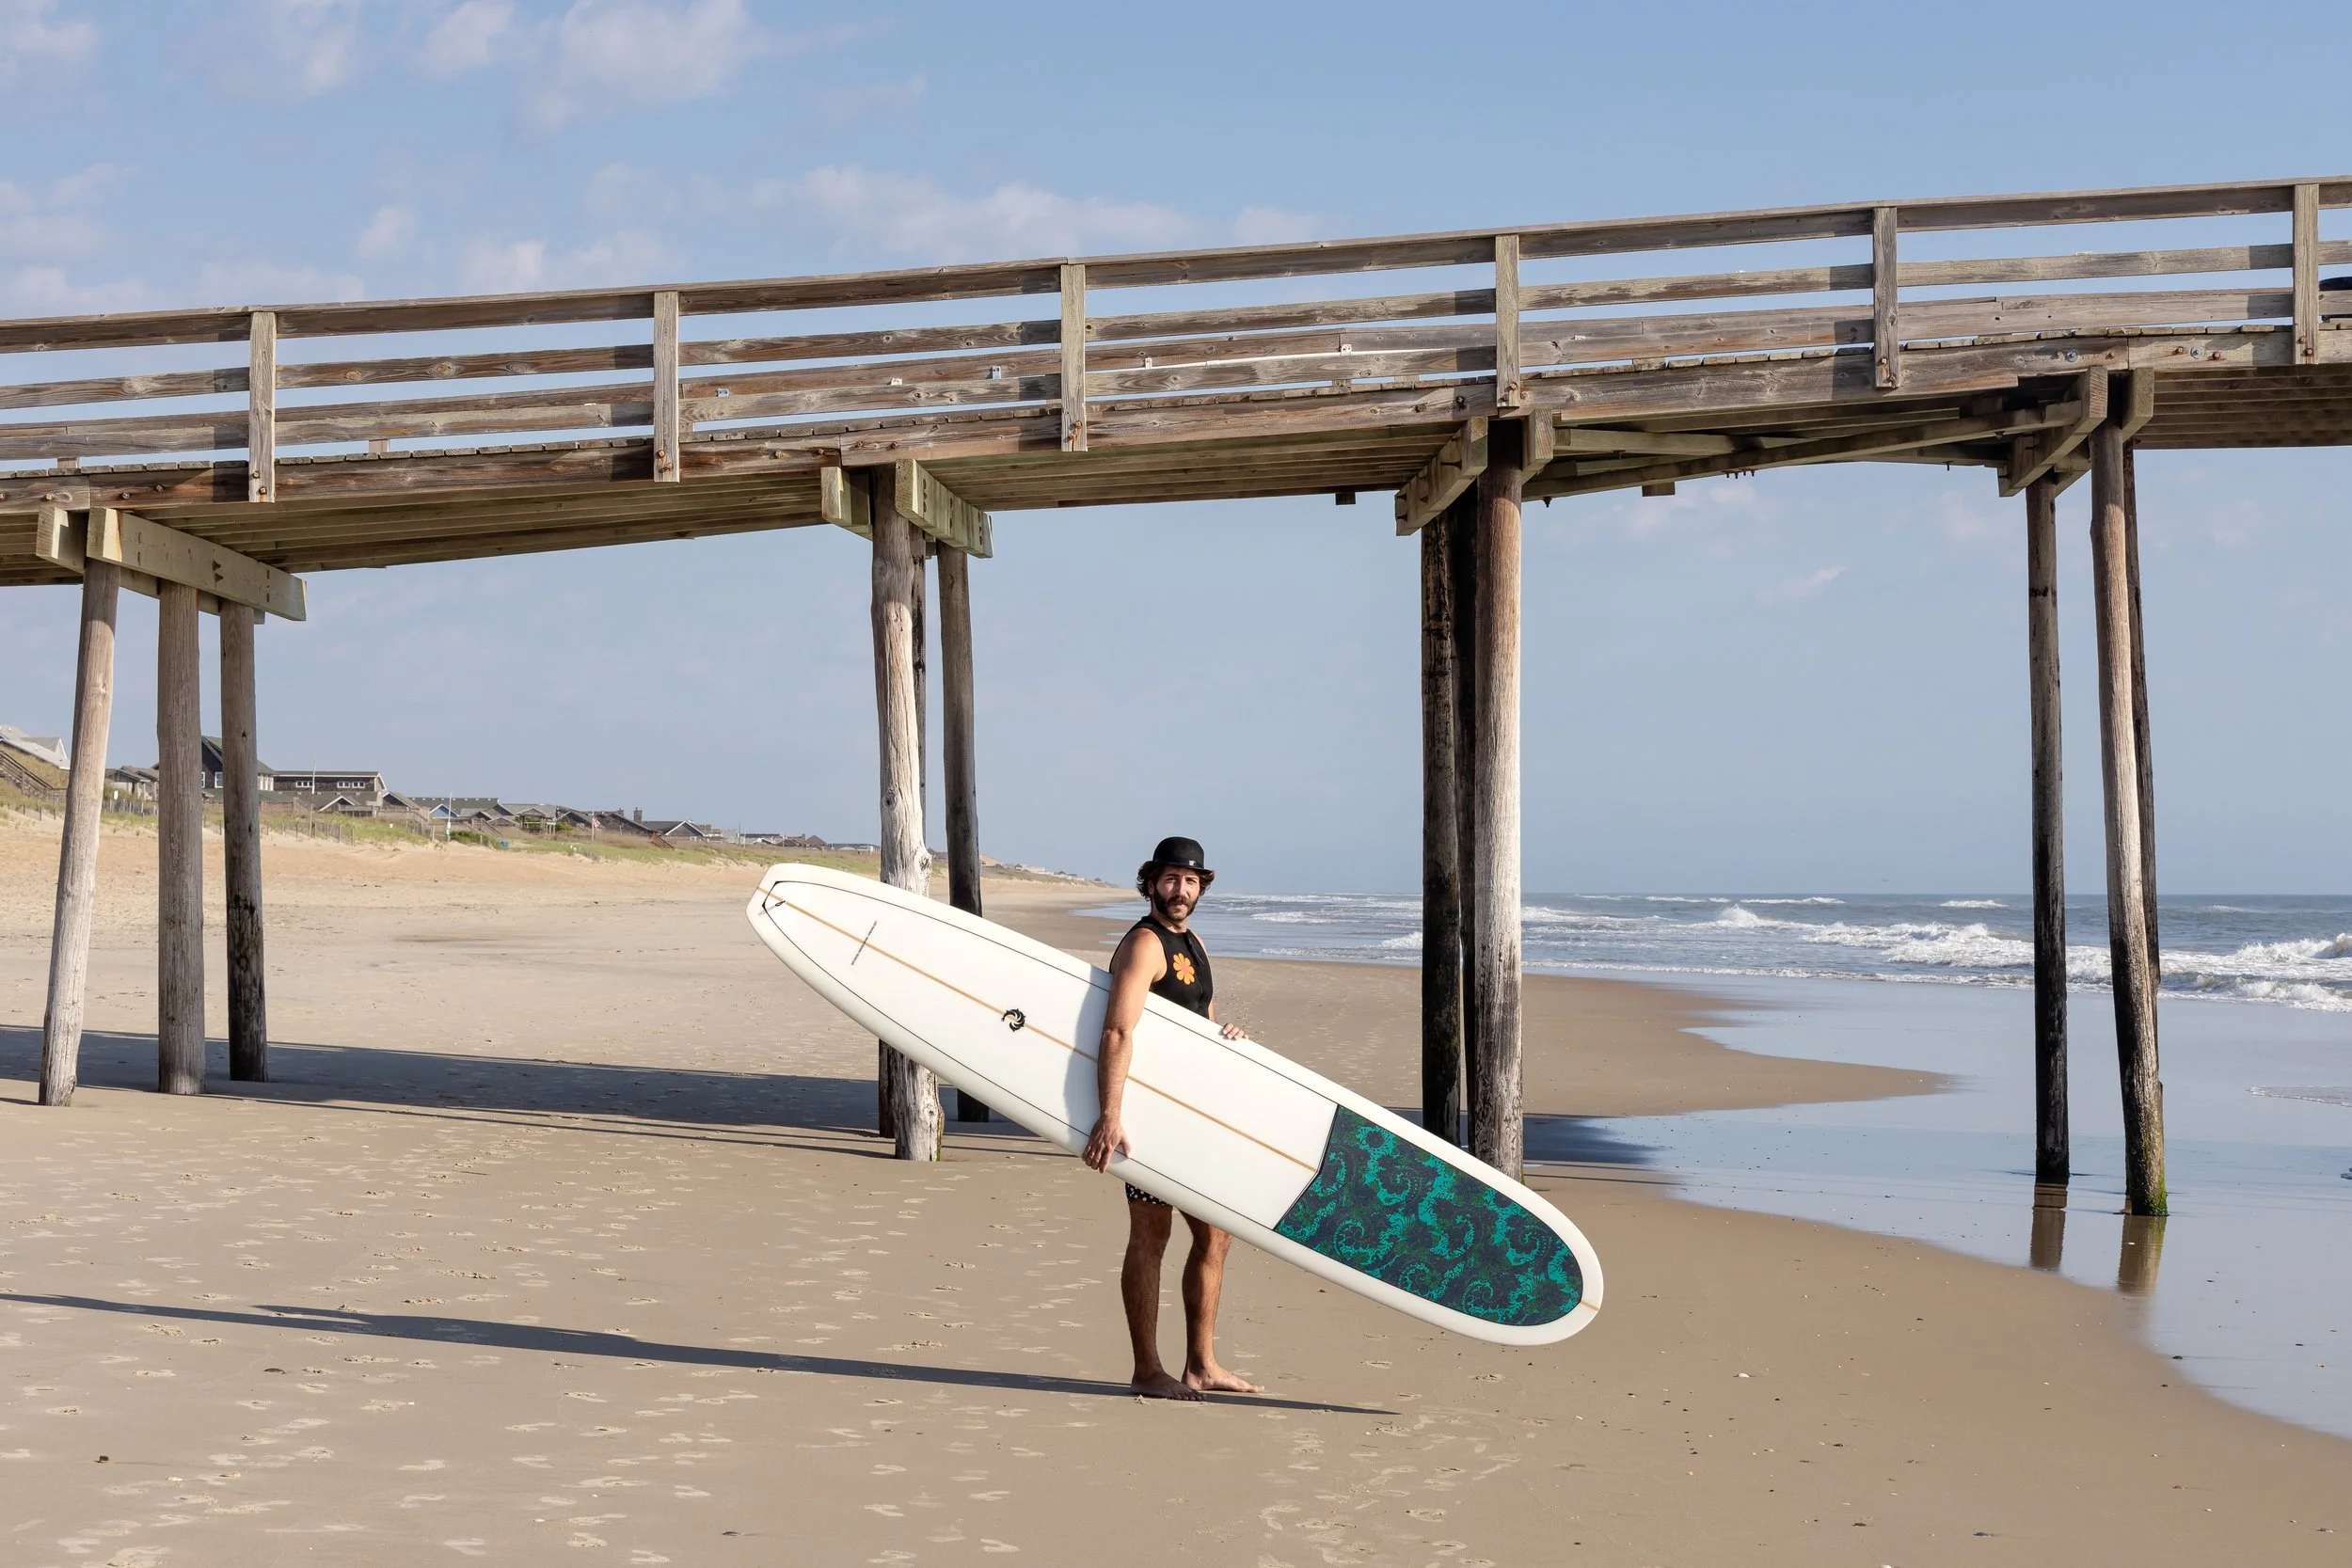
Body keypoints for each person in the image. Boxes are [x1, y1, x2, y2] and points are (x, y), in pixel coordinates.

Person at [1080, 835, 1263, 1400]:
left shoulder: (1193, 941)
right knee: (1150, 1237)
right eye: (1169, 879)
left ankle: (1201, 1364)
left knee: (1216, 1235)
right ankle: (1147, 1370)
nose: (1179, 889)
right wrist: (1110, 1115)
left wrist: (1224, 1033)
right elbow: (1117, 1030)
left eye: (1190, 881)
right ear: (1151, 883)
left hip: (1191, 1117)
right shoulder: (1144, 945)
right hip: (1149, 1118)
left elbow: (1196, 1022)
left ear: (1200, 886)